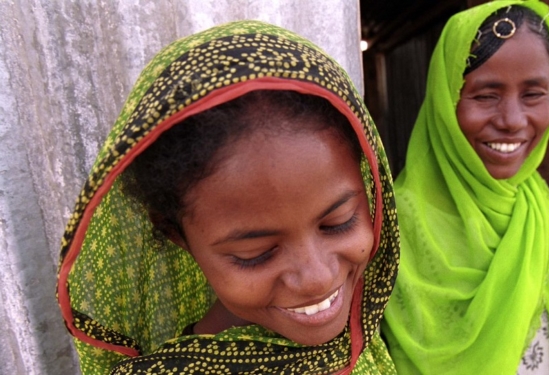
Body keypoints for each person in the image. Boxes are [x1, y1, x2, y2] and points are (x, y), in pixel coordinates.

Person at [56, 20, 398, 374]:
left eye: (338, 223)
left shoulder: (360, 328)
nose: (317, 278)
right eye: (255, 254)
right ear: (178, 237)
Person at [381, 1, 549, 374]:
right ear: (445, 100)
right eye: (486, 95)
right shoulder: (394, 225)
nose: (512, 121)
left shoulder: (535, 203)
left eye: (533, 94)